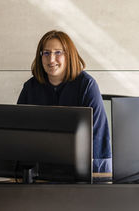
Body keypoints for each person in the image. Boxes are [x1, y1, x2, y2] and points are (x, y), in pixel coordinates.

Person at [17, 30, 112, 173]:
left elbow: (98, 135)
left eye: (58, 52)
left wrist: (97, 176)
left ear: (69, 56)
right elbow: (18, 133)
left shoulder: (87, 85)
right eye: (46, 53)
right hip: (40, 169)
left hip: (81, 171)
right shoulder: (30, 88)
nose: (51, 59)